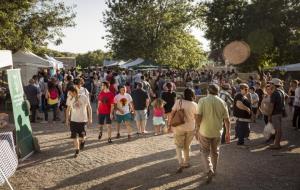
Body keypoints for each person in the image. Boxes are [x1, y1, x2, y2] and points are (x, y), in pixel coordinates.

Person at [195, 84, 230, 184]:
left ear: (208, 91)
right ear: (218, 91)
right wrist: (227, 133)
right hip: (217, 131)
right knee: (215, 152)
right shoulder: (222, 102)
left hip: (204, 130)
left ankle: (209, 169)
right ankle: (214, 170)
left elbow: (198, 117)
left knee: (204, 152)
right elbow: (227, 120)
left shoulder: (202, 101)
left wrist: (197, 129)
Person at [169, 88, 198, 173]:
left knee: (178, 145)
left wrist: (169, 124)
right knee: (187, 145)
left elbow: (172, 113)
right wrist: (197, 128)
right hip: (190, 128)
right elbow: (197, 118)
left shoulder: (179, 102)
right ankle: (187, 162)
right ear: (193, 95)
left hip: (179, 127)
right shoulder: (194, 104)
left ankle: (181, 162)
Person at [66, 86, 92, 158]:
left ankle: (83, 141)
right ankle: (77, 150)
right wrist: (67, 119)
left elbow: (89, 107)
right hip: (73, 120)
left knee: (82, 137)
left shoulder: (84, 97)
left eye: (70, 93)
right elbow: (68, 109)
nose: (69, 94)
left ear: (74, 92)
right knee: (75, 136)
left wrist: (90, 118)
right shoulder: (70, 98)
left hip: (83, 120)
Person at [268, 78, 285, 149]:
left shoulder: (274, 93)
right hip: (280, 112)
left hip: (275, 113)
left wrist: (269, 115)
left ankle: (277, 145)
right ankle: (277, 143)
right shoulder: (281, 91)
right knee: (279, 129)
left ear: (274, 85)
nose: (270, 85)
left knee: (278, 130)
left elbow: (271, 106)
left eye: (271, 83)